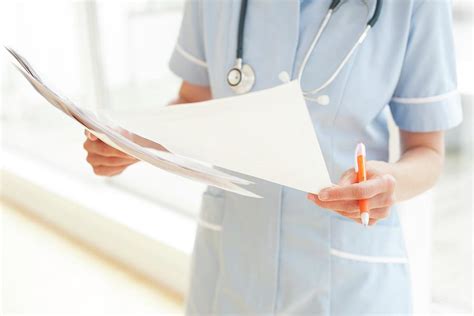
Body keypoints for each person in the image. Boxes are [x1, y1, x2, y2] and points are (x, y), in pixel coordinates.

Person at [83, 0, 462, 314]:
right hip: (234, 261)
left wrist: (388, 186)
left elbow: (427, 152)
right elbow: (194, 104)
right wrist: (134, 143)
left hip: (349, 279)